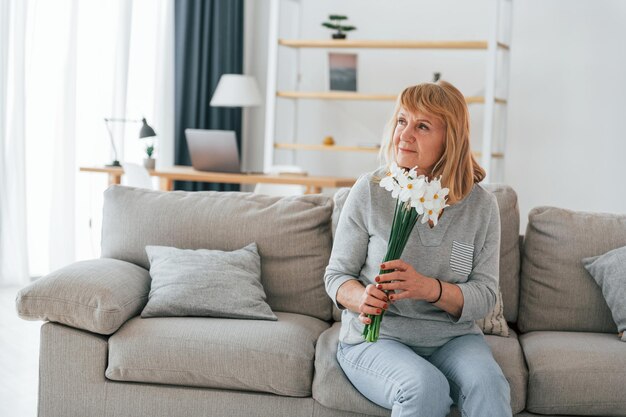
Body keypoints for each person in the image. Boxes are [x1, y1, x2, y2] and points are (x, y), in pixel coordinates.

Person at [324, 80, 512, 417]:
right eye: (401, 121)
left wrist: (429, 289)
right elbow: (337, 276)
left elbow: (485, 294)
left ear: (449, 140)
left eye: (422, 126)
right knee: (425, 387)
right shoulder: (371, 190)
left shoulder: (480, 206)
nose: (405, 134)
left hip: (451, 339)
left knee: (490, 386)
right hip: (378, 338)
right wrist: (360, 298)